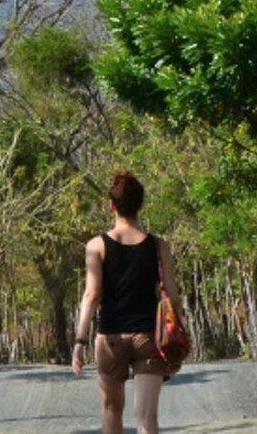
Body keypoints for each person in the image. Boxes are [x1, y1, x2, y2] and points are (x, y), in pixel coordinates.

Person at [71, 171, 178, 434]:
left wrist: (80, 340)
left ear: (112, 205)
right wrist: (178, 341)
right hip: (148, 337)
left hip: (110, 337)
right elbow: (173, 296)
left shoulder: (96, 246)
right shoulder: (158, 246)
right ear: (141, 205)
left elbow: (92, 295)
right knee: (146, 419)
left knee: (111, 409)